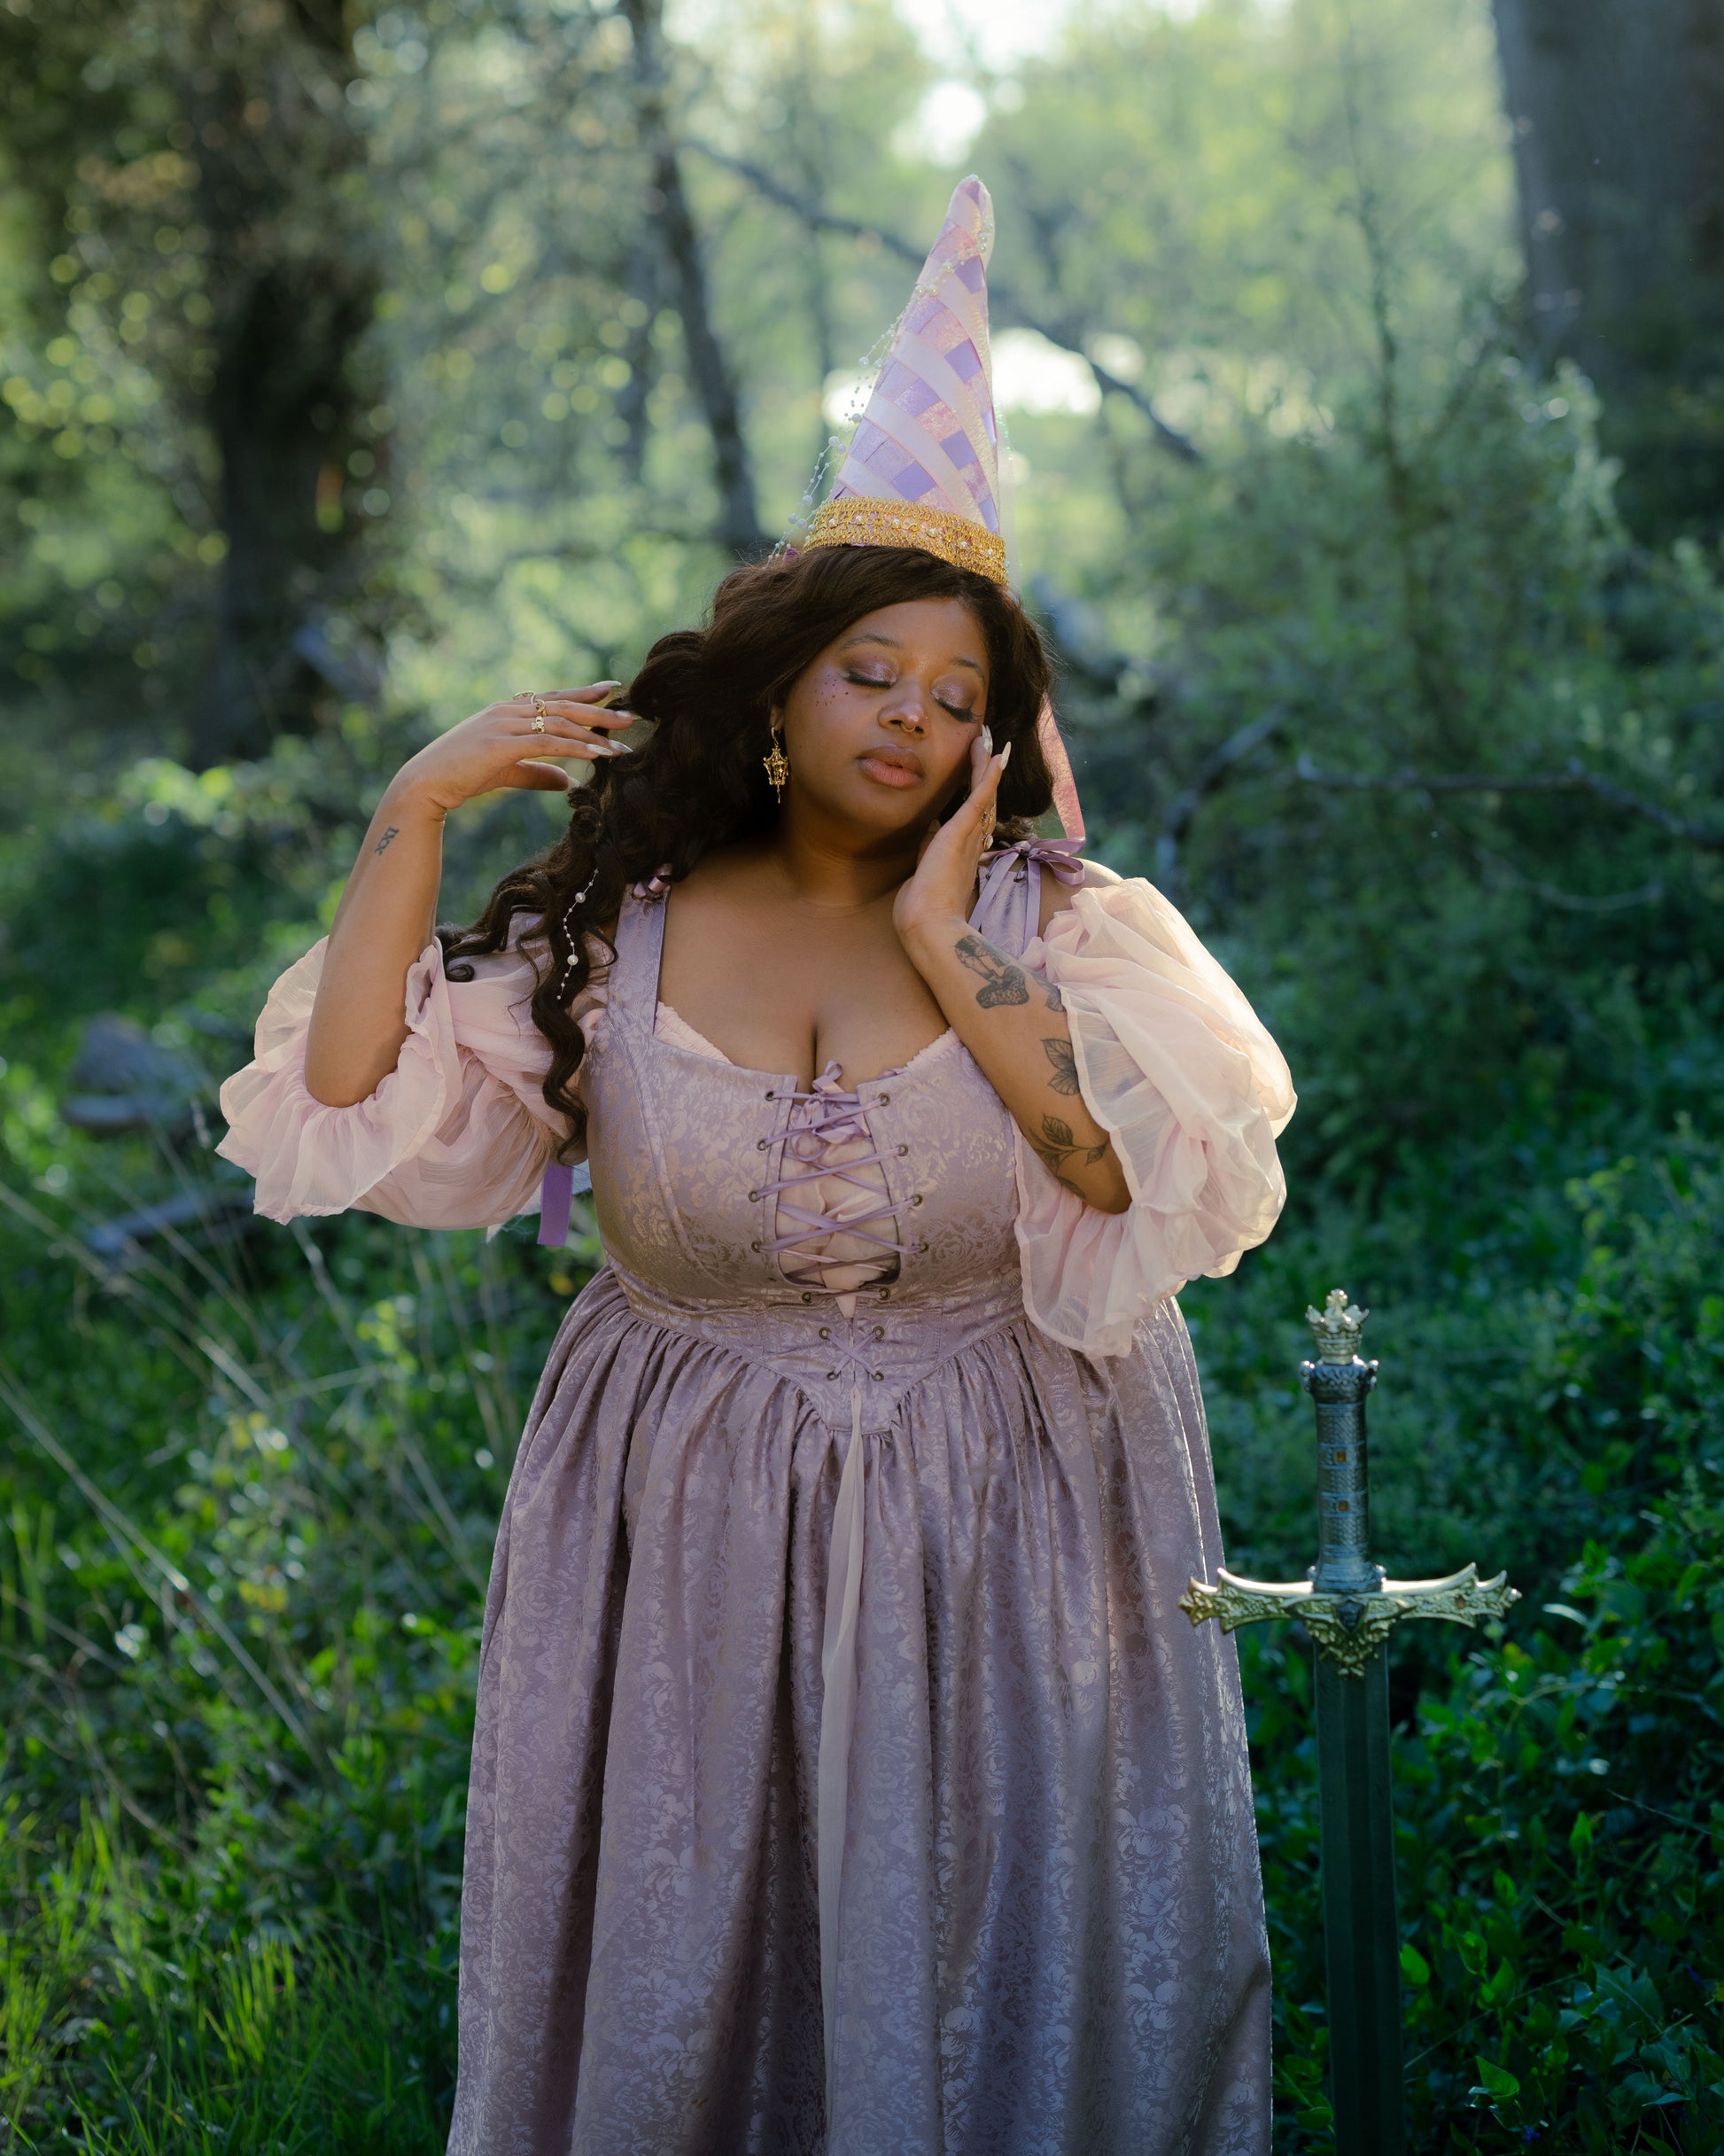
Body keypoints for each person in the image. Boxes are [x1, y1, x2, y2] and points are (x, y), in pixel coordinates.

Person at [219, 177, 1294, 2156]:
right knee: (705, 1984)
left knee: (1007, 1965)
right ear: (784, 692)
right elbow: (343, 1105)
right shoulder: (609, 931)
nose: (911, 714)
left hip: (1019, 1502)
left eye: (958, 695)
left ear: (997, 739)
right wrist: (415, 806)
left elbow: (1125, 1193)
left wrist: (956, 952)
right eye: (874, 671)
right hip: (686, 1522)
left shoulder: (1061, 933)